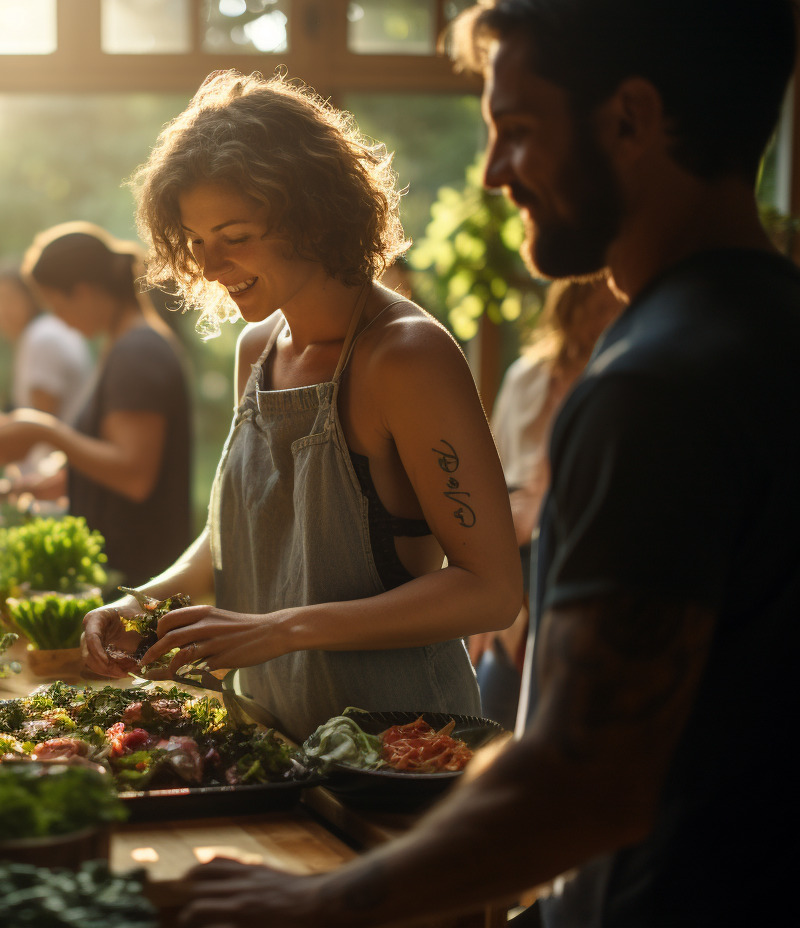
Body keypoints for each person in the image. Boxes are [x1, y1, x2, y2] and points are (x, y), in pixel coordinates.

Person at [173, 2, 800, 926]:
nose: (496, 173)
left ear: (629, 119)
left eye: (515, 130)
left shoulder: (654, 390)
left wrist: (317, 905)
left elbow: (584, 779)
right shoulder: (764, 333)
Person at [79, 70, 523, 743]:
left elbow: (491, 589)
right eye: (197, 240)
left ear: (313, 215)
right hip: (276, 738)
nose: (213, 264)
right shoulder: (258, 346)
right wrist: (142, 599)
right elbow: (239, 536)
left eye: (235, 234)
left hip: (400, 749)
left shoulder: (406, 357)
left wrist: (280, 630)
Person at [0, 222, 193, 587]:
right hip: (130, 572)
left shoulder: (137, 352)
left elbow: (134, 475)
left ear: (84, 292)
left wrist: (45, 431)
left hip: (139, 580)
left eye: (57, 305)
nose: (58, 320)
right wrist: (58, 482)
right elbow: (112, 457)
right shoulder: (125, 345)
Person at [469, 277, 622, 723]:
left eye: (614, 308)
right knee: (493, 692)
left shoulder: (618, 381)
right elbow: (490, 475)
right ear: (570, 308)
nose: (605, 320)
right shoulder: (526, 377)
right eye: (596, 308)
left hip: (570, 549)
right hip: (513, 549)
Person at [0, 257, 93, 478]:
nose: (0, 311)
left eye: (9, 299)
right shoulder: (42, 334)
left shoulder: (41, 339)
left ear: (32, 298)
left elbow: (40, 426)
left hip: (58, 477)